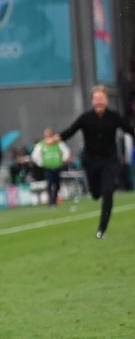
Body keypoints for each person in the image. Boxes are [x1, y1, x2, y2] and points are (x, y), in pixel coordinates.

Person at [60, 86, 133, 239]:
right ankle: (95, 191)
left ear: (106, 100)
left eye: (101, 98)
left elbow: (129, 129)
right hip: (91, 162)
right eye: (96, 99)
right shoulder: (86, 118)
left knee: (108, 192)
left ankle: (102, 229)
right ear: (92, 101)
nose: (99, 101)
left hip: (109, 161)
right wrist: (55, 138)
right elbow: (70, 131)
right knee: (95, 193)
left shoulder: (114, 117)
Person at [31, 128, 65, 207]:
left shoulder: (58, 143)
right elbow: (35, 156)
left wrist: (62, 160)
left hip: (57, 166)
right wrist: (42, 163)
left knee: (57, 184)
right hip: (48, 167)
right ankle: (52, 201)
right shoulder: (42, 144)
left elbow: (65, 151)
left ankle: (55, 199)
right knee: (50, 184)